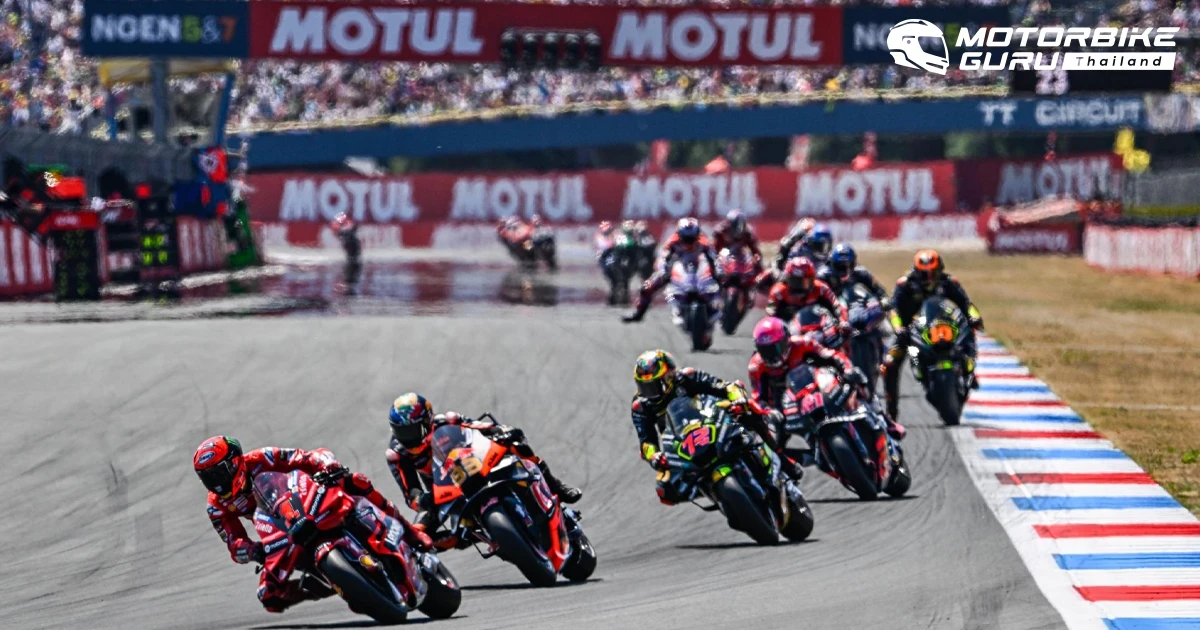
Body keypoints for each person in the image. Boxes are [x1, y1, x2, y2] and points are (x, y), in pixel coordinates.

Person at [193, 436, 431, 613]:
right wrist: (253, 551)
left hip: (304, 498)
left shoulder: (261, 458)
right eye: (207, 478)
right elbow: (234, 542)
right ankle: (320, 587)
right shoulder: (216, 506)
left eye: (219, 473)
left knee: (355, 481)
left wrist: (327, 465)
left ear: (236, 462)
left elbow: (302, 457)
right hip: (278, 530)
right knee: (269, 596)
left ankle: (409, 532)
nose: (216, 483)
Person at [384, 393, 582, 542]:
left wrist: (501, 431)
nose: (406, 438)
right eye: (401, 431)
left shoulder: (448, 420)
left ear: (427, 420)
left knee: (516, 445)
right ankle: (431, 571)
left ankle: (556, 486)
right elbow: (410, 492)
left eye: (411, 430)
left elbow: (481, 427)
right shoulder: (397, 454)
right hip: (442, 488)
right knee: (415, 535)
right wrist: (422, 500)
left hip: (475, 463)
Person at [629, 350, 803, 505]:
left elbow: (727, 387)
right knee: (665, 489)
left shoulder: (687, 377)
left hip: (710, 419)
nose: (648, 392)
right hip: (681, 442)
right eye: (643, 386)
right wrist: (654, 456)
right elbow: (646, 442)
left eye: (653, 385)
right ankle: (712, 492)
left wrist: (738, 399)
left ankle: (783, 459)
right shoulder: (641, 406)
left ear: (669, 376)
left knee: (749, 412)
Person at [749, 317, 905, 441]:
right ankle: (786, 470)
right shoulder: (756, 366)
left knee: (857, 382)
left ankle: (885, 421)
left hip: (818, 384)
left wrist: (847, 369)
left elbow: (831, 355)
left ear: (787, 339)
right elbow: (758, 397)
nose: (772, 355)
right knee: (774, 438)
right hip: (785, 402)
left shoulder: (803, 343)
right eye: (765, 350)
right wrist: (768, 412)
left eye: (776, 347)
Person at [882, 249, 984, 421]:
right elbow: (893, 310)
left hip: (943, 328)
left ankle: (969, 371)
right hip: (910, 332)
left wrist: (974, 317)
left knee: (969, 333)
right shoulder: (905, 285)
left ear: (940, 270)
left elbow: (966, 304)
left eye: (933, 273)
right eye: (924, 274)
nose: (929, 278)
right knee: (889, 363)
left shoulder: (949, 282)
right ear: (916, 272)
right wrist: (899, 328)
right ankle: (892, 412)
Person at [622, 217, 720, 323]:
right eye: (685, 238)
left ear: (697, 235)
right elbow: (662, 257)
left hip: (699, 270)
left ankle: (719, 309)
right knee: (647, 287)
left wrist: (718, 271)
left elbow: (714, 258)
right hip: (676, 269)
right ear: (679, 234)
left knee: (723, 279)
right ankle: (639, 312)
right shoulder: (672, 241)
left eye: (692, 238)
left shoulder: (704, 242)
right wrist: (662, 269)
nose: (688, 242)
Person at [766, 257, 848, 328]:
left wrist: (843, 322)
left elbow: (836, 304)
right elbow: (770, 311)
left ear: (812, 280)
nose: (799, 287)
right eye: (795, 282)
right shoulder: (777, 292)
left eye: (805, 282)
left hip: (820, 331)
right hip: (790, 333)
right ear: (787, 280)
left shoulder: (821, 288)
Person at [817, 244, 890, 303]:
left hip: (858, 310)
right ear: (831, 264)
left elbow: (880, 291)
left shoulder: (862, 273)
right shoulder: (822, 276)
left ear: (854, 264)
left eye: (849, 265)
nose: (845, 271)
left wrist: (883, 300)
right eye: (840, 267)